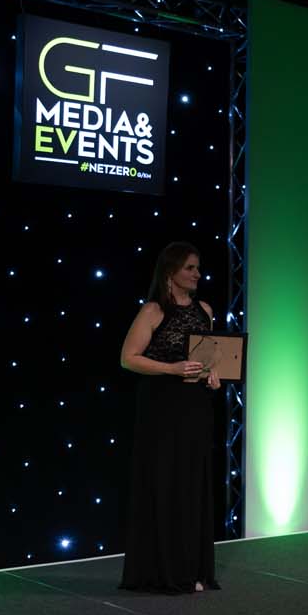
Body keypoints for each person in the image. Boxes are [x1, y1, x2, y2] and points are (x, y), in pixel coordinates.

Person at [118, 241, 222, 593]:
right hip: (161, 408)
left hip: (196, 407)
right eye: (190, 268)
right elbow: (128, 358)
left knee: (192, 484)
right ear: (171, 271)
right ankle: (163, 571)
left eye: (198, 267)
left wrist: (213, 375)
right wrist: (172, 368)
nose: (197, 274)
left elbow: (209, 359)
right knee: (166, 483)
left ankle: (192, 568)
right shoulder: (153, 311)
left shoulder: (205, 310)